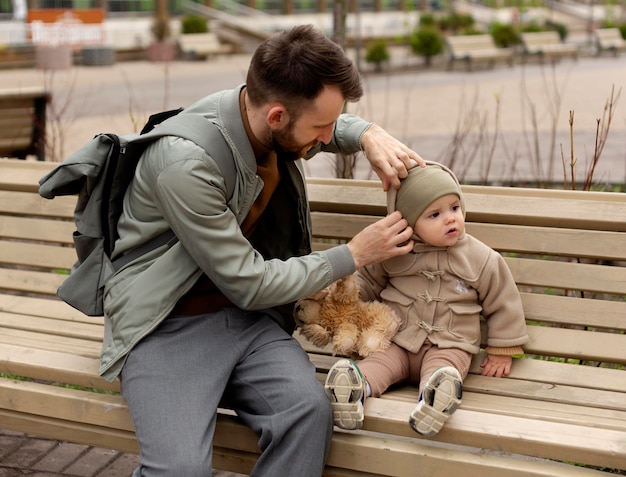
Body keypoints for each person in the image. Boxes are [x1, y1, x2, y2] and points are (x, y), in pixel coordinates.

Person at [99, 24, 424, 477]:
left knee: (307, 414)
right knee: (178, 471)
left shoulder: (257, 111)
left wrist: (365, 132)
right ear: (276, 117)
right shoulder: (185, 165)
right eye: (322, 129)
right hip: (167, 324)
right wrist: (353, 254)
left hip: (249, 323)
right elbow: (250, 282)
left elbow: (314, 122)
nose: (327, 137)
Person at [325, 161, 529, 437]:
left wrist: (502, 348)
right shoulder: (393, 252)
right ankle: (354, 389)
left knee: (443, 370)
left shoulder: (481, 258)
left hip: (450, 343)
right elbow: (368, 283)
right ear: (408, 223)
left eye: (454, 208)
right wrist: (347, 300)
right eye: (434, 214)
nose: (450, 218)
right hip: (397, 340)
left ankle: (434, 399)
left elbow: (503, 299)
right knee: (378, 364)